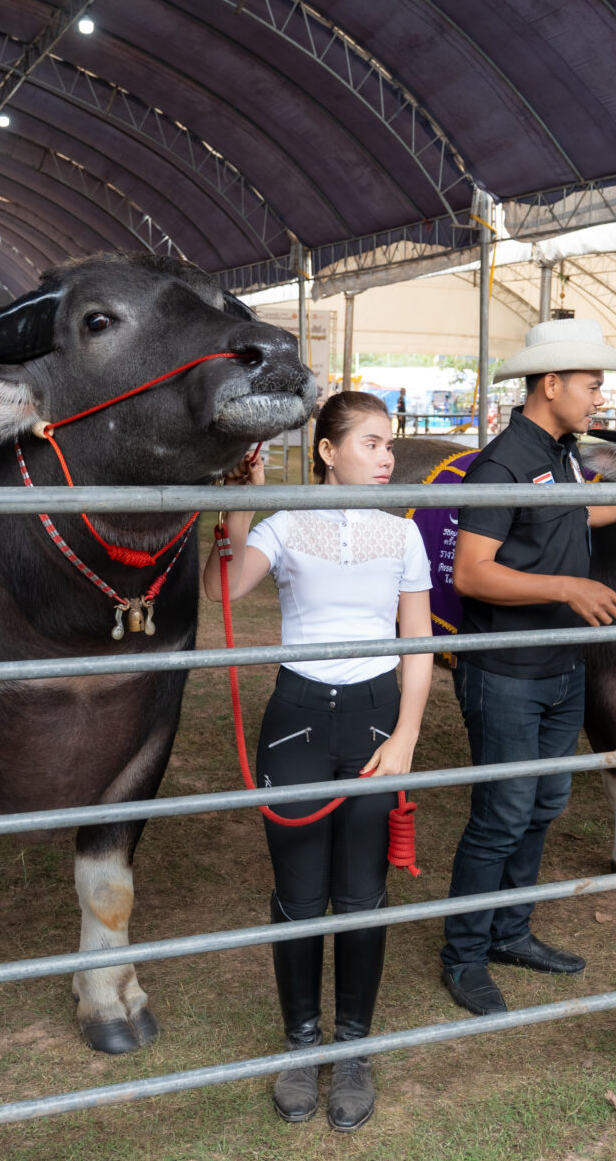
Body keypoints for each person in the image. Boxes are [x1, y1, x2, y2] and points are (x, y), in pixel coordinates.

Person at [441, 317, 616, 1016]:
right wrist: (567, 587)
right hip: (507, 668)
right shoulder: (499, 465)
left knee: (545, 802)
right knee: (502, 813)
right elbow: (471, 572)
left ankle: (510, 930)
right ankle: (464, 955)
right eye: (592, 385)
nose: (599, 398)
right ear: (551, 384)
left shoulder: (561, 454)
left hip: (561, 664)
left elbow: (575, 514)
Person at [204, 391, 434, 1132]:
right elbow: (222, 588)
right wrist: (240, 504)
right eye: (372, 443)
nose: (388, 457)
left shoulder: (403, 533)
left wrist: (405, 735)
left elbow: (419, 644)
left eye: (389, 443)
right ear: (328, 452)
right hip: (297, 721)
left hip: (375, 718)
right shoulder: (284, 524)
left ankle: (353, 1048)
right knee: (300, 893)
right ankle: (301, 1044)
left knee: (362, 891)